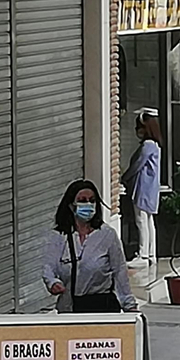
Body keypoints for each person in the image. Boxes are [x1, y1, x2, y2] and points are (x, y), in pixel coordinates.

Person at [42, 180, 138, 313]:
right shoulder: (59, 236)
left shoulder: (107, 235)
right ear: (71, 205)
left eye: (92, 200)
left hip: (101, 307)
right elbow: (49, 267)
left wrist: (129, 306)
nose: (88, 204)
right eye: (82, 200)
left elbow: (120, 272)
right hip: (70, 308)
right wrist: (53, 283)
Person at [122, 111, 162, 267]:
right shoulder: (156, 146)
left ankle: (143, 255)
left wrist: (125, 177)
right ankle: (151, 254)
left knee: (141, 220)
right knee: (149, 221)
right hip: (151, 189)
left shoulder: (147, 146)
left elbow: (138, 164)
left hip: (143, 189)